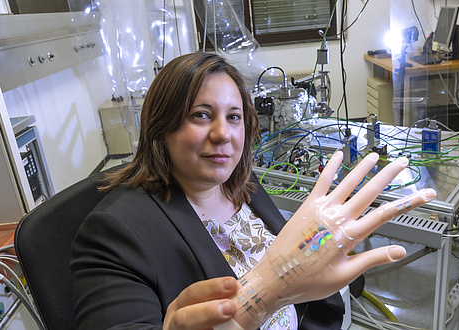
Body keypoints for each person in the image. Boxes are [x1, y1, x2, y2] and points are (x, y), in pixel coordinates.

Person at [70, 52, 436, 330]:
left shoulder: (241, 185)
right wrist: (268, 289)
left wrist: (325, 247)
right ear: (160, 126)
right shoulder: (113, 234)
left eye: (234, 116)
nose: (223, 134)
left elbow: (300, 272)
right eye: (201, 115)